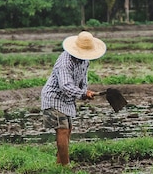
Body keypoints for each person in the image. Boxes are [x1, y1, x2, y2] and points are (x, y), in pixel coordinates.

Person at [41, 31, 106, 166]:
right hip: (54, 98)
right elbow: (65, 86)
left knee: (68, 129)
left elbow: (83, 81)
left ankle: (59, 164)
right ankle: (66, 166)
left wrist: (85, 91)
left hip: (67, 100)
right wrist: (82, 94)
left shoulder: (85, 61)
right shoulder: (65, 62)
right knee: (62, 129)